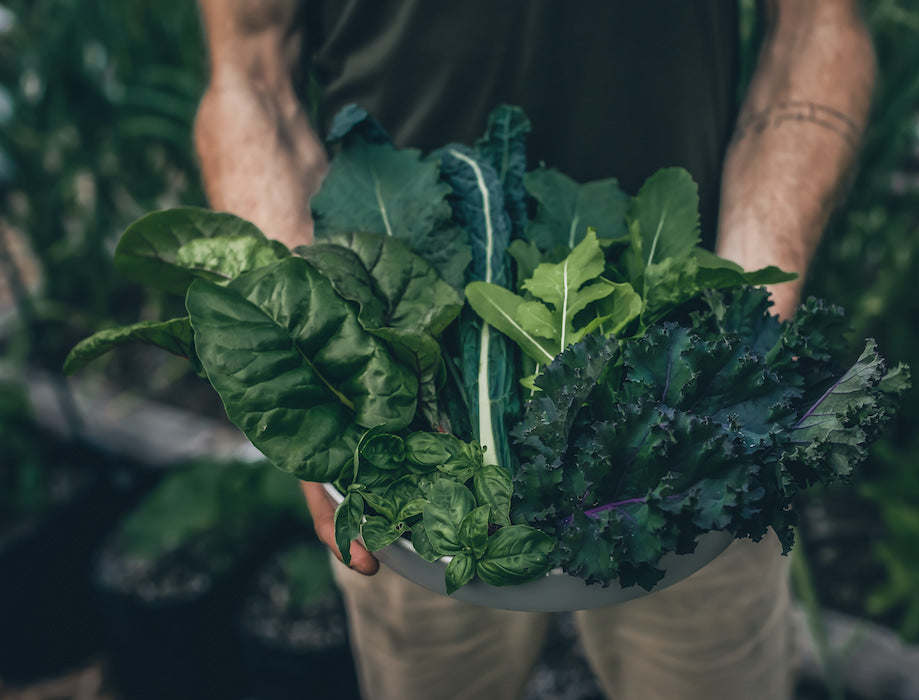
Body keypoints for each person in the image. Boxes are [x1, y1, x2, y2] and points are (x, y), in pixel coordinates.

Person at [193, 2, 876, 699]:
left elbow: (815, 26)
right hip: (402, 417)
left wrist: (746, 332)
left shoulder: (709, 388)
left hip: (687, 402)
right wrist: (315, 376)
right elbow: (252, 77)